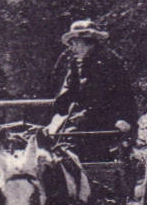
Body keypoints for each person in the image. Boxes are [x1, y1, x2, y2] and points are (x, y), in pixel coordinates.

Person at [51, 19, 138, 160]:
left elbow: (109, 97)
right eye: (72, 43)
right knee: (56, 134)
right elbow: (68, 91)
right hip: (89, 116)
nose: (72, 48)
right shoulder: (77, 63)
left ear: (88, 43)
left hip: (114, 117)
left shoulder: (108, 62)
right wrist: (58, 109)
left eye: (75, 43)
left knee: (78, 138)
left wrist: (86, 114)